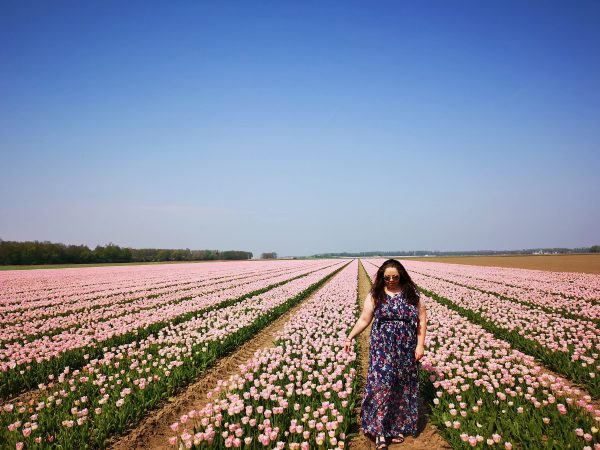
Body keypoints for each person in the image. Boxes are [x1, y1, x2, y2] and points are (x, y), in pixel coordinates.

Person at [343, 259, 426, 449]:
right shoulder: (376, 294)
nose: (390, 280)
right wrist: (350, 337)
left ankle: (395, 426)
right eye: (387, 277)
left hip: (406, 348)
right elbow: (365, 319)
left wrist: (420, 345)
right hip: (382, 349)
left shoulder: (412, 295)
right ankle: (379, 429)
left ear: (401, 276)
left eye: (394, 277)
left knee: (401, 386)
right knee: (381, 385)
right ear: (382, 277)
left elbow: (422, 319)